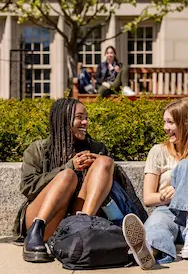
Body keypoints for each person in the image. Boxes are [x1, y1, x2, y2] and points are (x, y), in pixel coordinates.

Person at [14, 98, 117, 263]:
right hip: (44, 219)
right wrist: (69, 166)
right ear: (63, 119)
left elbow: (110, 185)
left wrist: (100, 161)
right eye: (79, 117)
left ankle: (83, 230)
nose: (85, 122)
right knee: (68, 175)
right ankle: (34, 235)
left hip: (76, 215)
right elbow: (28, 187)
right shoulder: (38, 149)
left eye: (86, 117)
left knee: (106, 162)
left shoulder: (96, 148)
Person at [123, 98, 188, 265]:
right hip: (169, 212)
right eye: (164, 122)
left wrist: (183, 190)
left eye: (170, 122)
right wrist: (172, 196)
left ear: (186, 124)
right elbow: (148, 198)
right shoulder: (158, 151)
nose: (165, 128)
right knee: (156, 224)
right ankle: (152, 251)